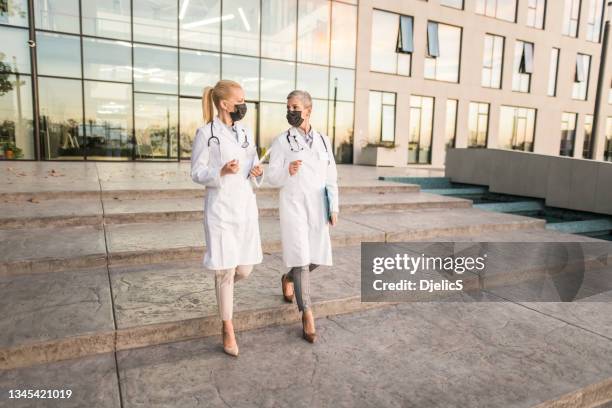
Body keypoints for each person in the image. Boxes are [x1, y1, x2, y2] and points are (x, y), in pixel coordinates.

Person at [190, 80, 264, 357]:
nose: (244, 105)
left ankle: (224, 283)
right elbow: (196, 172)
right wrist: (219, 171)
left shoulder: (245, 132)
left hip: (244, 207)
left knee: (243, 269)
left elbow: (254, 164)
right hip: (220, 209)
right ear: (224, 104)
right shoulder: (206, 133)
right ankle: (227, 327)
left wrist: (257, 172)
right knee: (226, 271)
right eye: (240, 101)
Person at [266, 90, 339, 343]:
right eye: (288, 107)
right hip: (294, 205)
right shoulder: (281, 141)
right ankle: (307, 312)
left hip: (318, 206)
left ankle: (288, 278)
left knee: (316, 257)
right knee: (300, 256)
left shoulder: (324, 141)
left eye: (295, 107)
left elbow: (331, 177)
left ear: (308, 110)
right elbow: (271, 177)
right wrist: (287, 170)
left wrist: (334, 207)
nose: (291, 112)